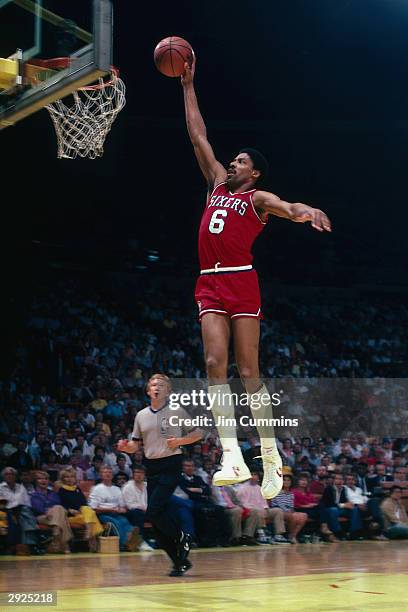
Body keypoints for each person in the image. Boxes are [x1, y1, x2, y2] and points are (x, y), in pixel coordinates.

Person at [180, 55, 331, 500]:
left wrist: (308, 212)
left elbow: (288, 207)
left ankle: (269, 453)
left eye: (241, 161)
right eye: (234, 159)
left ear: (255, 172)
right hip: (208, 280)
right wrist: (187, 86)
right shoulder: (215, 185)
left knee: (249, 371)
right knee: (213, 365)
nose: (233, 162)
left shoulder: (257, 198)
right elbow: (197, 135)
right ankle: (231, 455)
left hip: (242, 280)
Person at [117, 373, 203, 576]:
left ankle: (183, 538)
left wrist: (179, 442)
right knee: (156, 520)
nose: (157, 387)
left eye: (162, 385)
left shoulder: (176, 410)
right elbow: (134, 445)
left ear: (168, 391)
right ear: (148, 391)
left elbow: (198, 433)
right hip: (152, 466)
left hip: (171, 464)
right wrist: (124, 447)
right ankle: (179, 561)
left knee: (153, 511)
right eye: (153, 384)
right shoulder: (141, 415)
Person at [88, 466, 142, 552]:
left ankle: (133, 538)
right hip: (102, 514)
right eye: (105, 472)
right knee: (115, 523)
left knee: (125, 521)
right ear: (101, 475)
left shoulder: (116, 489)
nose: (107, 474)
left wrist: (122, 509)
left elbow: (122, 505)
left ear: (112, 475)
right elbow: (93, 508)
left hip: (116, 513)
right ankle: (125, 544)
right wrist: (110, 510)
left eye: (109, 472)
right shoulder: (96, 489)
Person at [56, 467, 104, 552]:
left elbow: (83, 503)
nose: (70, 479)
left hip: (82, 516)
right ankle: (93, 541)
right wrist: (70, 510)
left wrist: (80, 510)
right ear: (63, 479)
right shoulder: (61, 490)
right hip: (70, 517)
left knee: (87, 509)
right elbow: (60, 505)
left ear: (75, 478)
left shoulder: (77, 489)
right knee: (92, 517)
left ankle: (89, 533)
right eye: (67, 477)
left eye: (72, 477)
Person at [30, 471, 73, 554]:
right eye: (40, 479)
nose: (43, 481)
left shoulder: (53, 493)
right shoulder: (33, 495)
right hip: (41, 517)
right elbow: (37, 508)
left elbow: (58, 504)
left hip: (54, 516)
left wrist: (52, 510)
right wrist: (49, 510)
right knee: (60, 514)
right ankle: (65, 544)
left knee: (58, 508)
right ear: (36, 481)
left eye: (46, 479)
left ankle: (56, 534)